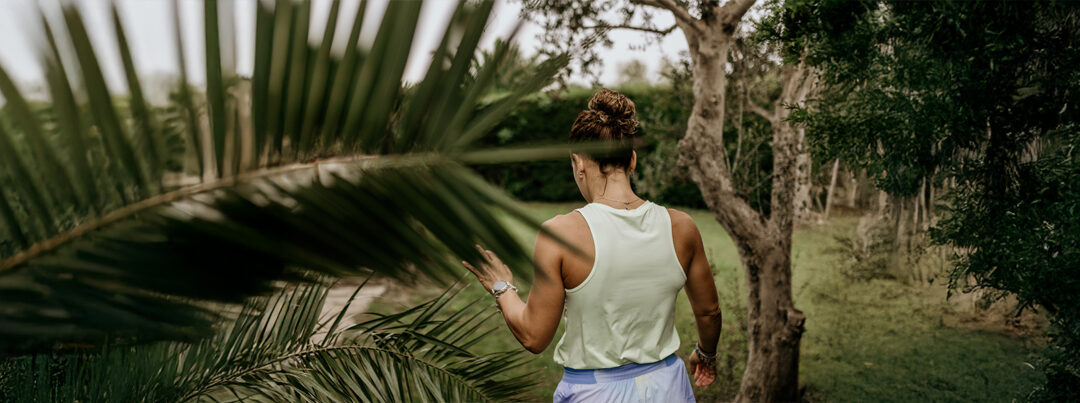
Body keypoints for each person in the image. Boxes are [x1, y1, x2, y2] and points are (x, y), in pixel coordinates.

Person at [462, 89, 723, 403]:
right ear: (633, 160)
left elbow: (534, 335)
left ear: (579, 164)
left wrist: (501, 286)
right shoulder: (682, 227)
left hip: (595, 392)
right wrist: (705, 353)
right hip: (668, 385)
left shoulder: (560, 234)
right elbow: (709, 312)